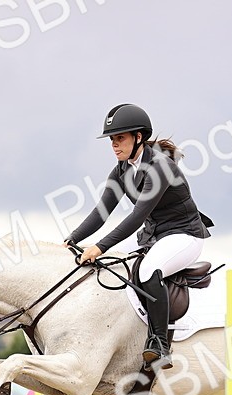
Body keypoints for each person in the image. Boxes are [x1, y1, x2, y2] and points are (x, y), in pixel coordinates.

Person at [64, 103, 213, 368]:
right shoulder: (121, 171)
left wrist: (99, 246)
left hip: (185, 235)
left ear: (138, 137)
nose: (114, 144)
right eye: (111, 139)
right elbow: (101, 212)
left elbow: (137, 217)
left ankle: (160, 343)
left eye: (120, 138)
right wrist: (72, 239)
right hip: (154, 236)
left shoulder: (160, 167)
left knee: (148, 271)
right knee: (114, 266)